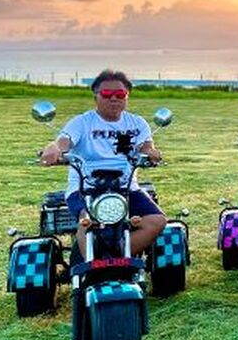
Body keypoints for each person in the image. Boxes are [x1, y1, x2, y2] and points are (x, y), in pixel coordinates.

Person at [40, 69, 166, 261]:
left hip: (126, 187)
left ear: (127, 96)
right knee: (86, 221)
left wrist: (152, 153)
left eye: (120, 94)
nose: (113, 98)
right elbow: (63, 141)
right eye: (107, 94)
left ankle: (120, 254)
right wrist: (53, 148)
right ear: (96, 96)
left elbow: (146, 147)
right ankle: (87, 270)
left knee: (157, 221)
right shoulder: (82, 122)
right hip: (85, 188)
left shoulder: (137, 123)